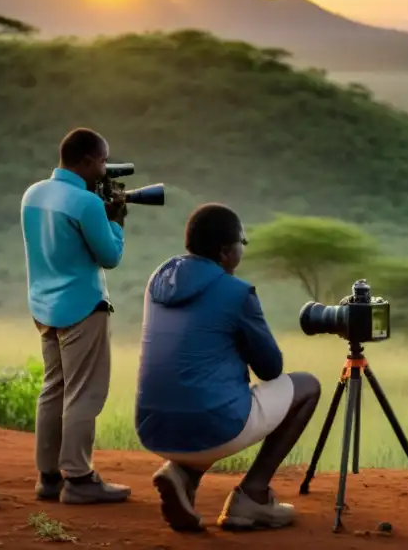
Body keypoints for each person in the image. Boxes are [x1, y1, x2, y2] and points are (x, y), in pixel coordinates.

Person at [135, 203, 321, 533]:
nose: (242, 250)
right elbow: (271, 368)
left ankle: (181, 472)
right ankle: (253, 495)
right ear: (225, 252)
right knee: (307, 386)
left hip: (151, 427)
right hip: (211, 427)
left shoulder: (158, 281)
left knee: (206, 393)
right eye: (242, 243)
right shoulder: (236, 292)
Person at [21, 128, 130, 504]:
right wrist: (116, 221)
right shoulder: (85, 203)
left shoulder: (33, 194)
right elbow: (110, 256)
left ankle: (48, 477)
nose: (105, 169)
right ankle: (80, 479)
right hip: (83, 307)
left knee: (54, 389)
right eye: (102, 161)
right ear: (86, 161)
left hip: (44, 307)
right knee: (85, 393)